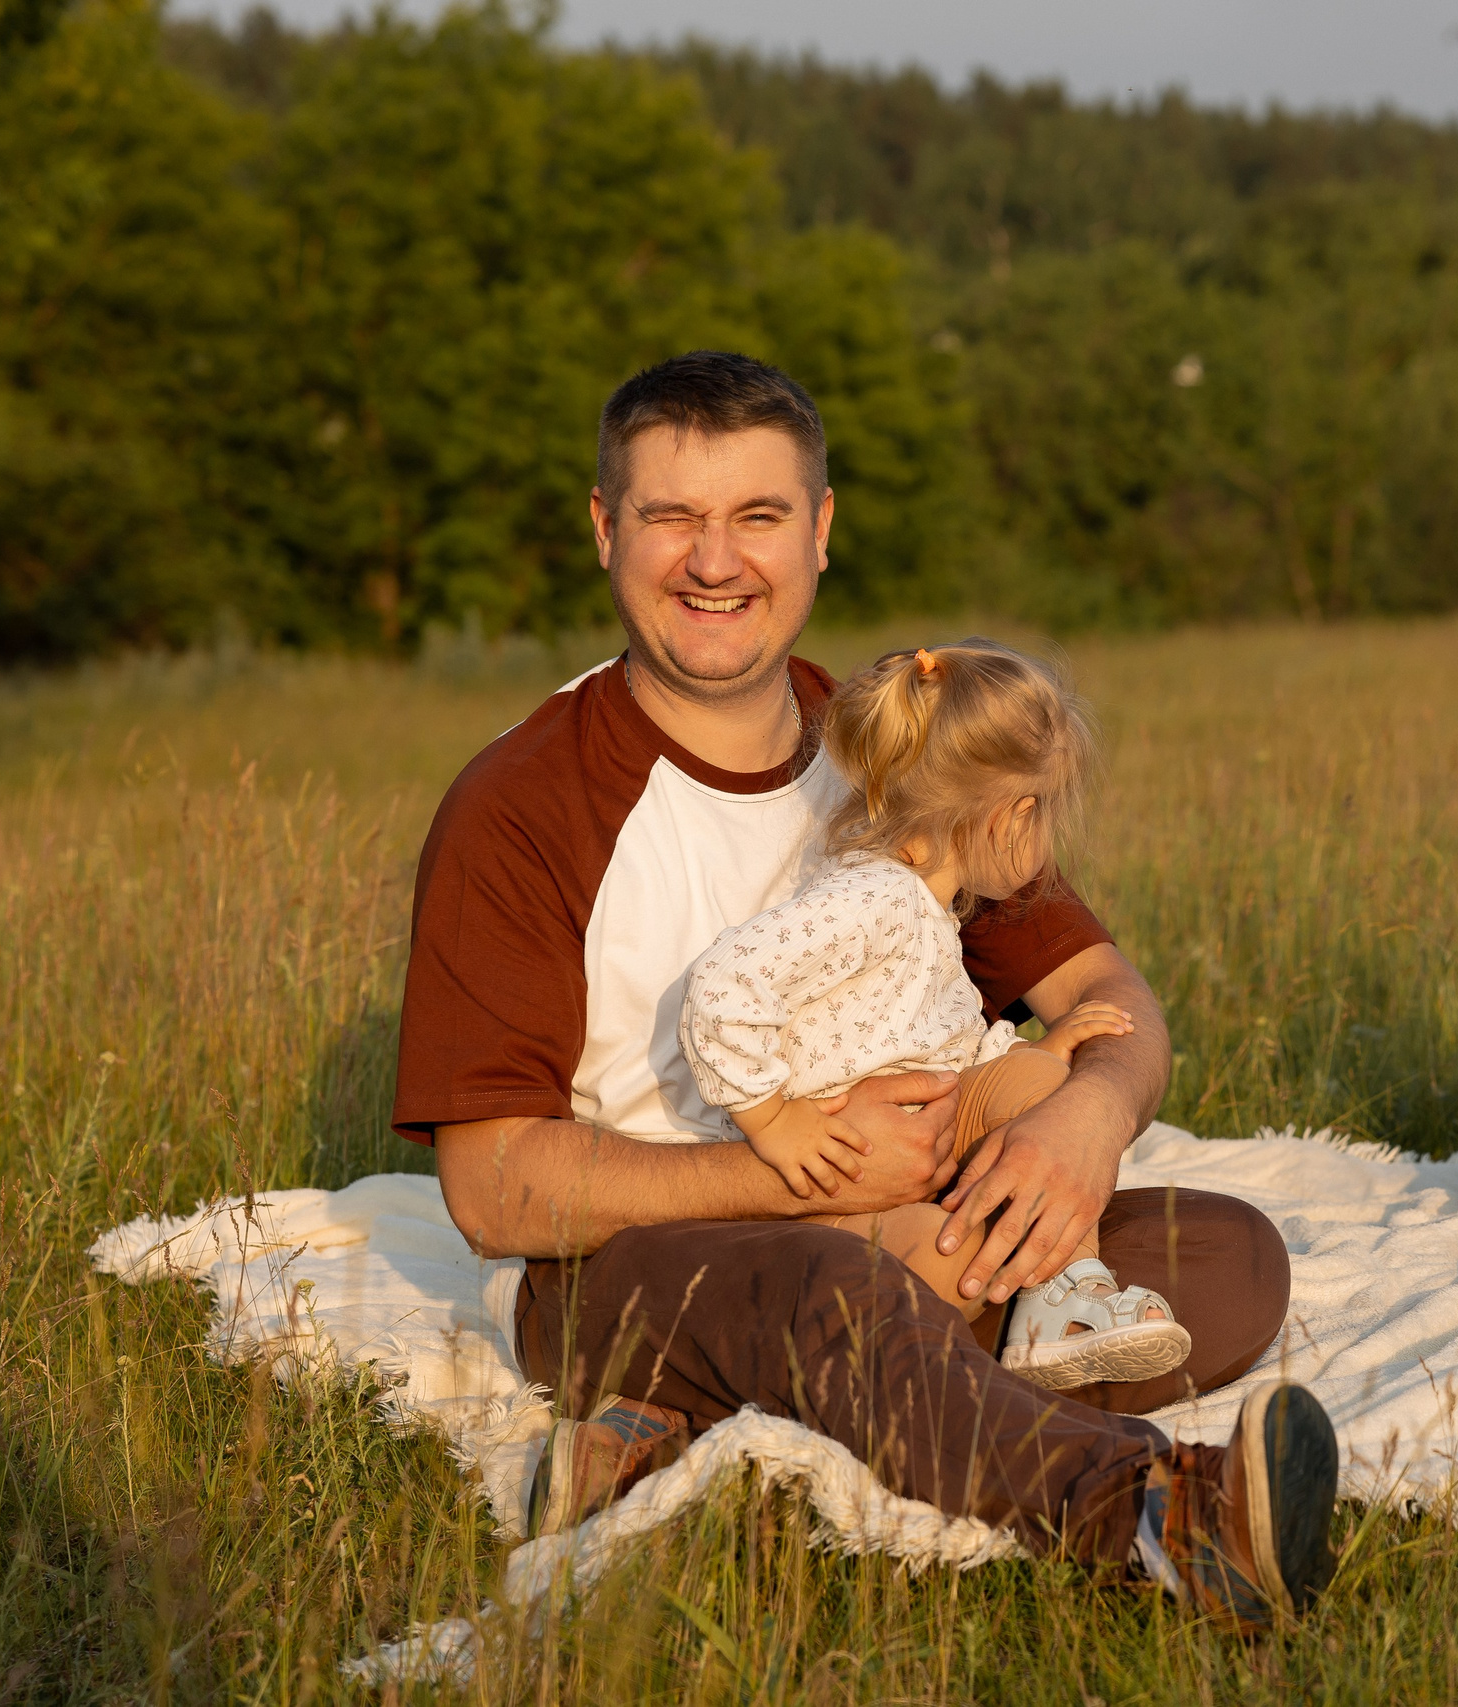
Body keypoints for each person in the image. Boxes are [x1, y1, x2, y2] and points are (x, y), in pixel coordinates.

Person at [396, 350, 1337, 1625]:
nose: (714, 562)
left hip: (904, 1225)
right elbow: (493, 1188)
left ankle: (715, 1420)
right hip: (636, 1269)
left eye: (757, 515)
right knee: (826, 1292)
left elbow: (1104, 987)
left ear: (820, 530)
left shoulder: (892, 742)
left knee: (1223, 1258)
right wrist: (802, 1178)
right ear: (606, 530)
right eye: (671, 517)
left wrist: (1087, 1115)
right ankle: (1161, 1514)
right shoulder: (520, 803)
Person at [677, 638, 1191, 1390]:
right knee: (950, 1260)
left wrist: (1032, 1061)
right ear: (1012, 816)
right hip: (833, 1178)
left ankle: (1062, 1295)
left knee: (1050, 1097)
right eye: (1047, 812)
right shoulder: (871, 898)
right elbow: (723, 985)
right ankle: (948, 1355)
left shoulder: (925, 903)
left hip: (929, 1129)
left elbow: (923, 1038)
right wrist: (775, 1121)